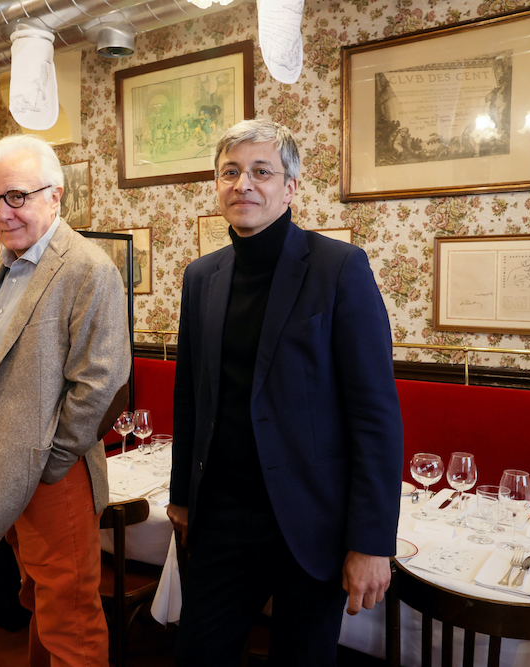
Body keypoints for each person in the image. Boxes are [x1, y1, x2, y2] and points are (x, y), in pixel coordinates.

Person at [167, 119, 403, 666]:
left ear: (290, 187)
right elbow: (191, 395)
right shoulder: (202, 276)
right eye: (230, 172)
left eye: (261, 171)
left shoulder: (339, 268)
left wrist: (372, 541)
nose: (243, 184)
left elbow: (375, 415)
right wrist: (182, 494)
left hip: (310, 522)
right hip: (222, 517)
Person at [0, 134, 130, 667]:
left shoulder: (87, 268)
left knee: (71, 618)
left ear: (56, 195)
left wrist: (49, 462)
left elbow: (100, 382)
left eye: (17, 197)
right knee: (42, 601)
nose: (2, 213)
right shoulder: (13, 262)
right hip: (14, 470)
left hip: (56, 475)